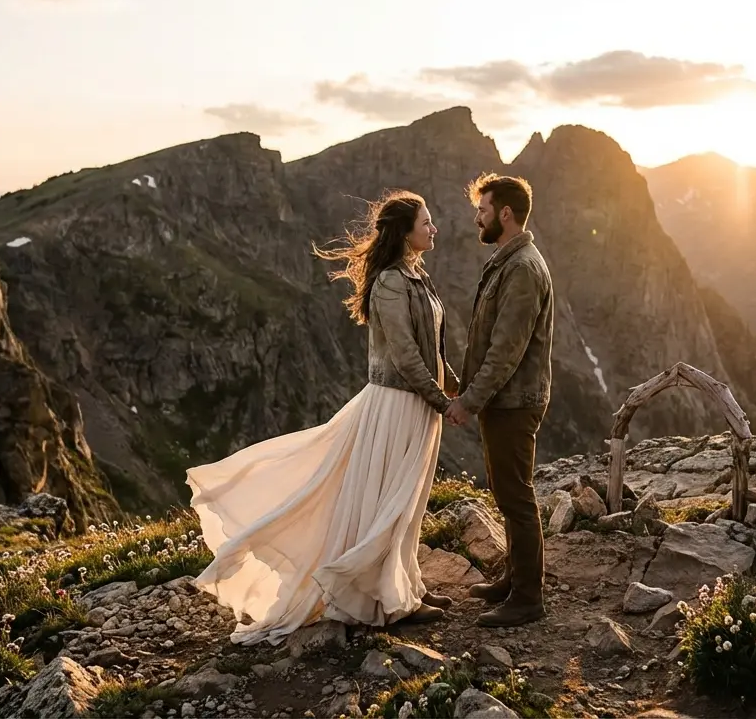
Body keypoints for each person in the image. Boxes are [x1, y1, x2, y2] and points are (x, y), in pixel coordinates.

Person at [186, 190, 456, 646]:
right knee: (390, 500)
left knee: (407, 501)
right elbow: (406, 353)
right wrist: (441, 398)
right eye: (426, 222)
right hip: (397, 402)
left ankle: (404, 588)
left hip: (420, 403)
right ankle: (377, 599)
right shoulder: (391, 282)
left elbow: (434, 345)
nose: (434, 228)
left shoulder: (415, 276)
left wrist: (450, 387)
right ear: (405, 231)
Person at [444, 173, 555, 628]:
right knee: (507, 492)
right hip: (505, 400)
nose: (478, 217)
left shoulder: (523, 269)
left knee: (516, 495)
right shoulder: (508, 261)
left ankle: (528, 598)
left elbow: (506, 350)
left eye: (484, 209)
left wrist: (468, 401)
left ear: (504, 213)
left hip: (514, 400)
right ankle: (514, 578)